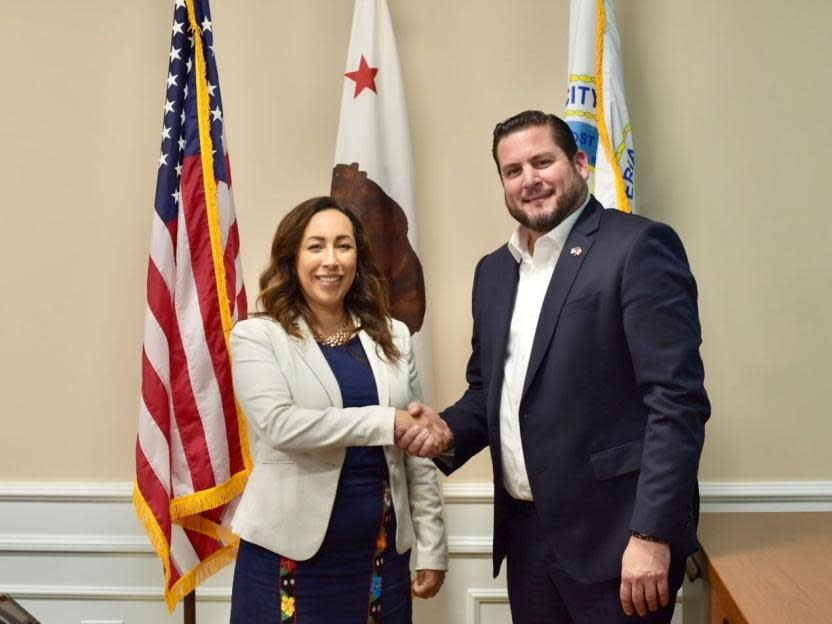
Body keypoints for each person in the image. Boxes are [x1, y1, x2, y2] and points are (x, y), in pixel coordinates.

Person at [397, 111, 709, 623]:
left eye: (543, 161)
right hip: (527, 539)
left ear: (580, 164)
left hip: (618, 542)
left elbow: (677, 404)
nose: (529, 179)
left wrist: (651, 534)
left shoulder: (637, 248)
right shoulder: (493, 271)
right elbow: (489, 391)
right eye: (513, 170)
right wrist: (445, 430)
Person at [229, 196, 447, 623]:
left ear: (358, 257)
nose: (331, 260)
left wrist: (433, 545)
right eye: (316, 246)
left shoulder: (395, 336)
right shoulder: (258, 336)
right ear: (291, 258)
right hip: (289, 555)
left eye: (343, 246)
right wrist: (387, 421)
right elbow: (281, 425)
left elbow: (415, 449)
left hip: (380, 557)